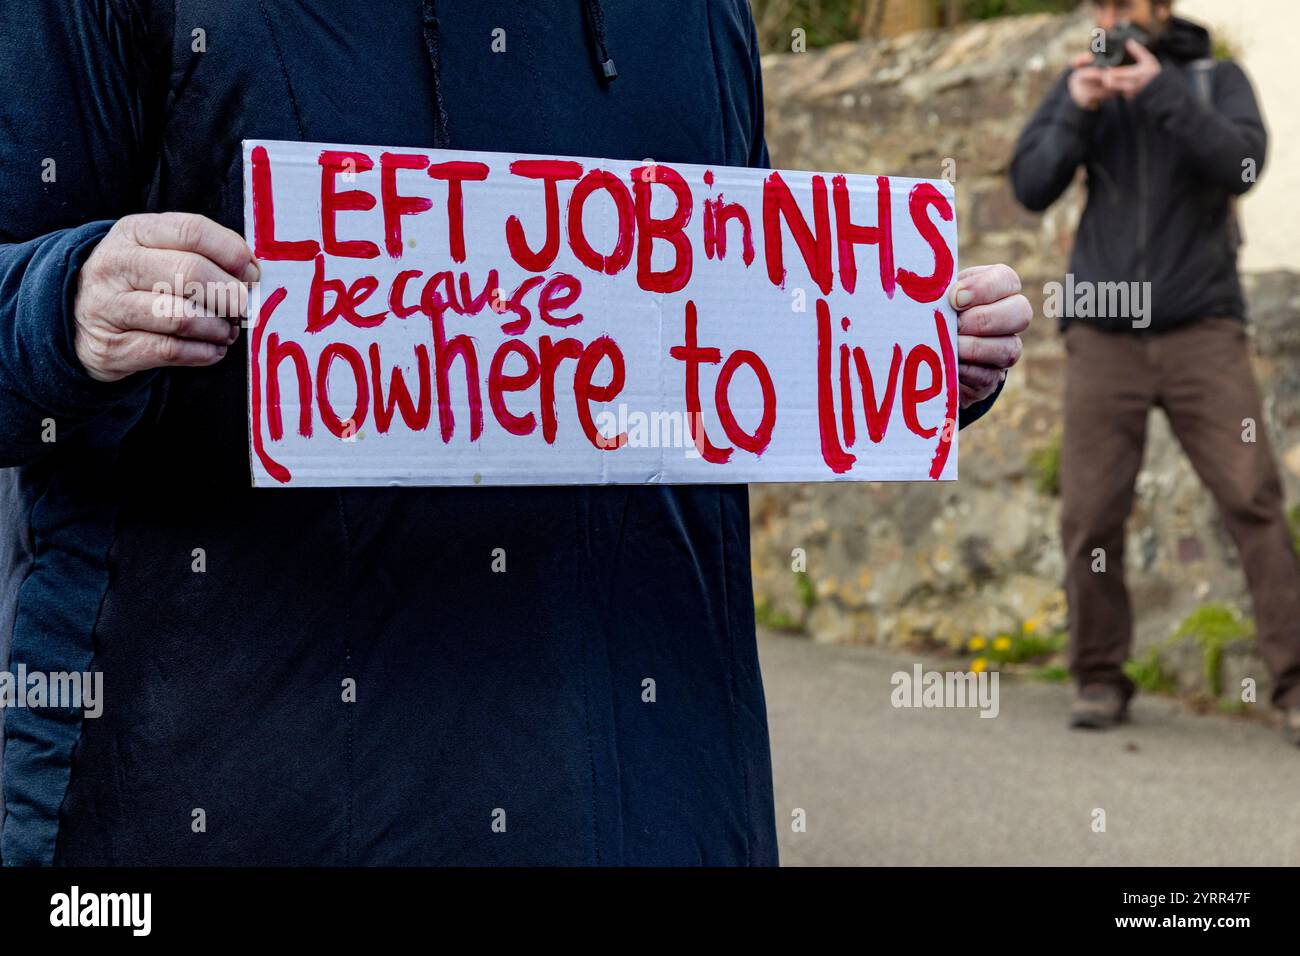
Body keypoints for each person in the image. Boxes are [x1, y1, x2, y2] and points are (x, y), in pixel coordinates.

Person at [0, 0, 1029, 866]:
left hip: (657, 797)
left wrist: (903, 350)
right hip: (232, 794)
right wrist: (62, 306)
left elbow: (735, 321)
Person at [1011, 0, 1300, 741]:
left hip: (1202, 326)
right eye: (1101, 4)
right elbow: (1030, 183)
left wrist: (1161, 91)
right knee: (1089, 513)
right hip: (1103, 333)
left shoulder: (1212, 79)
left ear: (1160, 8)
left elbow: (1243, 164)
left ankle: (1295, 685)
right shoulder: (1079, 82)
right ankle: (1099, 677)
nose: (1112, 16)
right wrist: (1077, 108)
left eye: (1125, 2)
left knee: (1253, 497)